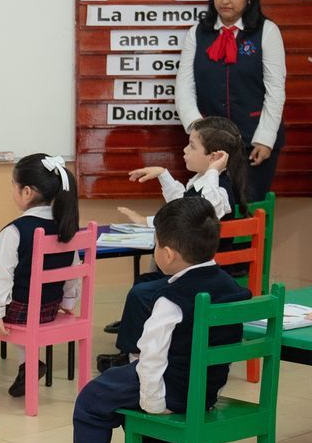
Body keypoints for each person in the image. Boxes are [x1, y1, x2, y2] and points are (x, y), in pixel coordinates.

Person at [58, 197, 248, 443]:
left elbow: (151, 360)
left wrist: (154, 405)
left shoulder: (169, 300)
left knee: (94, 398)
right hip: (206, 390)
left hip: (172, 388)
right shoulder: (232, 287)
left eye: (155, 244)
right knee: (122, 395)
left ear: (169, 254)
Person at [100, 115, 249, 372]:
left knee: (140, 293)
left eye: (192, 146)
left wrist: (213, 172)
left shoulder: (219, 190)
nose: (185, 150)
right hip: (189, 269)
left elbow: (206, 208)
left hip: (199, 276)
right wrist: (163, 175)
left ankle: (133, 357)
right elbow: (182, 207)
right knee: (143, 283)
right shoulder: (201, 181)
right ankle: (135, 341)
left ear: (214, 156)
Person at [0, 152, 82, 405]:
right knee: (21, 309)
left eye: (13, 186)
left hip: (19, 310)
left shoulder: (14, 231)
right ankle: (29, 365)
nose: (12, 192)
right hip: (48, 309)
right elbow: (73, 274)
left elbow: (2, 278)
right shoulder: (66, 227)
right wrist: (67, 304)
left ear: (26, 192)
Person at [173, 0, 287, 201]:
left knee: (246, 212)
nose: (225, 0)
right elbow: (184, 86)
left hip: (254, 144)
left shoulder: (267, 31)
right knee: (208, 212)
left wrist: (265, 139)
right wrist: (197, 131)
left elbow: (275, 91)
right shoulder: (198, 33)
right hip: (209, 145)